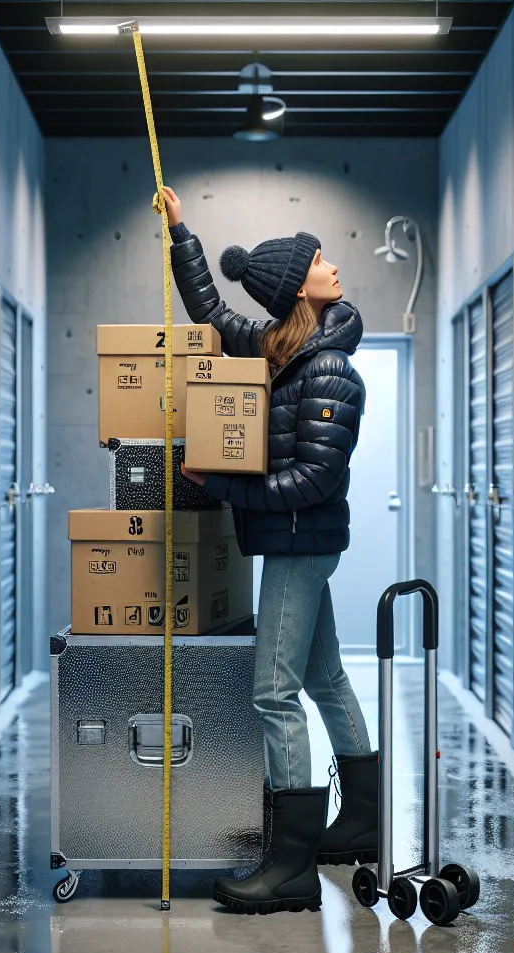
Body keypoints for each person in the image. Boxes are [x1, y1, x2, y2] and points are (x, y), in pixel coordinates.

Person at [161, 186, 381, 915]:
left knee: (273, 693)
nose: (332, 264)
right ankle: (358, 823)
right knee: (325, 680)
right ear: (296, 291)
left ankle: (288, 868)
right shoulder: (284, 353)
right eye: (319, 259)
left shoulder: (330, 372)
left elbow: (313, 479)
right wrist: (182, 233)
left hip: (298, 543)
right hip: (295, 544)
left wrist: (222, 483)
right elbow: (212, 314)